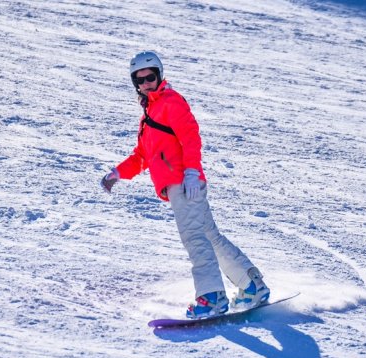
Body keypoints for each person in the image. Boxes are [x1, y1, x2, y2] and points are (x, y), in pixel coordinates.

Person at [101, 51, 270, 319]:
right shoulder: (150, 113)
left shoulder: (170, 101)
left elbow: (190, 137)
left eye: (150, 77)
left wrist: (191, 172)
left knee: (194, 237)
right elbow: (142, 156)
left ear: (159, 75)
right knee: (209, 236)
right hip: (181, 183)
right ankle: (252, 286)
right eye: (139, 80)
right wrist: (117, 173)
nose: (146, 83)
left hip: (183, 182)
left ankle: (212, 297)